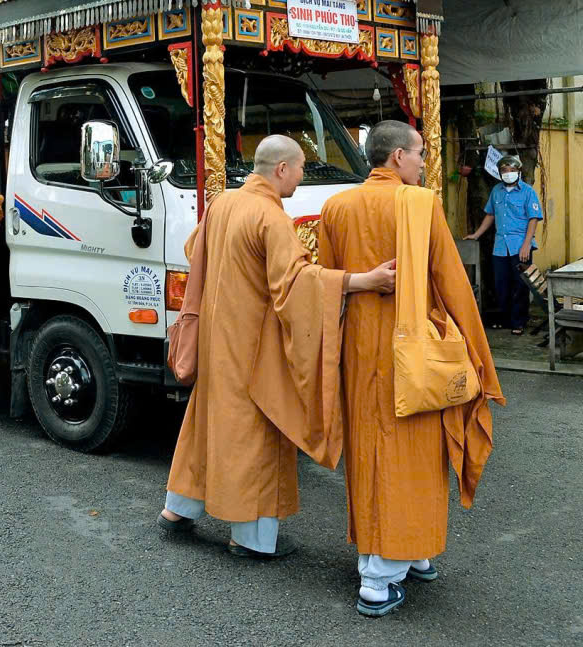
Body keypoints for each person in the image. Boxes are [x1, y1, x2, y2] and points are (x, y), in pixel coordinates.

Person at [158, 135, 395, 558]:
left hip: (216, 338)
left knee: (205, 424)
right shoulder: (270, 217)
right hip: (252, 347)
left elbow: (196, 250)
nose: (303, 177)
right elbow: (297, 282)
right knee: (257, 434)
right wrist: (361, 281)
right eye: (302, 167)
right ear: (282, 169)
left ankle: (178, 509)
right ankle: (250, 539)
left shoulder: (224, 203)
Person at [319, 120, 504, 617]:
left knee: (372, 454)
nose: (424, 162)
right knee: (411, 458)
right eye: (420, 153)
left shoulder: (337, 207)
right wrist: (480, 358)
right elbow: (452, 285)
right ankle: (377, 580)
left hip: (361, 351)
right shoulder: (420, 205)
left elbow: (327, 282)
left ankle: (413, 550)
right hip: (416, 356)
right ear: (397, 157)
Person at [465, 154, 544, 335]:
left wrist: (526, 245)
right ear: (500, 173)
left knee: (520, 284)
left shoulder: (527, 192)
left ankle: (519, 322)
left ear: (518, 172)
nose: (508, 173)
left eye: (512, 170)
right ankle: (507, 319)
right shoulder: (496, 191)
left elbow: (533, 219)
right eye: (504, 170)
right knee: (501, 284)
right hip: (500, 246)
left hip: (520, 245)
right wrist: (476, 235)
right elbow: (490, 215)